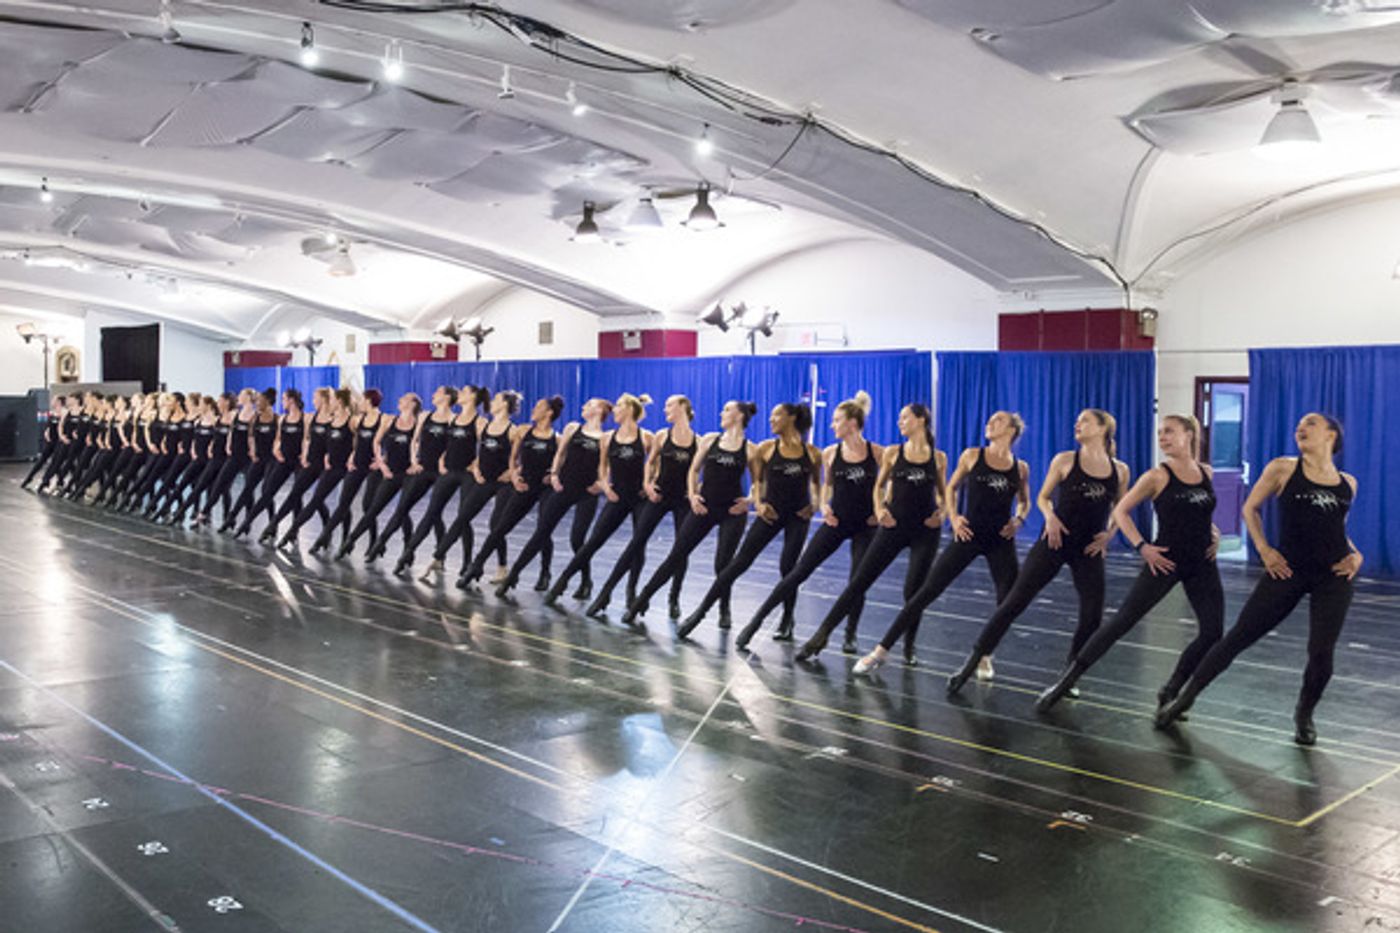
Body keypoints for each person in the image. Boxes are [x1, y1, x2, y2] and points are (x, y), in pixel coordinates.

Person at [1156, 413, 1362, 746]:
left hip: (1334, 576)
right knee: (1237, 637)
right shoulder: (1283, 468)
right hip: (1287, 570)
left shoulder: (1347, 483)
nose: (1301, 428)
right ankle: (1185, 698)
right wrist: (1264, 549)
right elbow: (1250, 508)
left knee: (1321, 651)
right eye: (1298, 425)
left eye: (1310, 424)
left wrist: (1356, 554)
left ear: (1331, 435)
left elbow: (1336, 528)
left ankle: (1304, 714)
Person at [1036, 415, 1222, 712]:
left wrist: (1215, 531)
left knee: (1213, 632)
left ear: (1189, 435)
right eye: (1160, 433)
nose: (1162, 437)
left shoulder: (1206, 472)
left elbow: (1200, 511)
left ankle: (1171, 690)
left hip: (1202, 563)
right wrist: (1142, 547)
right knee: (1122, 621)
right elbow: (1121, 511)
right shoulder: (1156, 476)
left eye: (1169, 432)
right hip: (1164, 561)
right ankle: (1066, 680)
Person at [947, 409, 1129, 697]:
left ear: (1103, 428)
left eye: (1084, 421)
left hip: (1088, 550)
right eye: (1077, 420)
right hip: (1054, 543)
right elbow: (1042, 497)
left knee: (1093, 615)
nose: (1077, 424)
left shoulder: (1120, 470)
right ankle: (971, 663)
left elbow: (1120, 508)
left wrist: (1109, 534)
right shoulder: (1066, 460)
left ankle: (1070, 675)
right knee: (1013, 602)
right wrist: (1051, 517)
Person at [853, 411, 1030, 674]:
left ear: (1012, 430)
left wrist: (1019, 520)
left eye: (999, 421)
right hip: (968, 536)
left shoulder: (1021, 467)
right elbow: (950, 488)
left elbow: (1024, 501)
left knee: (1009, 601)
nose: (990, 423)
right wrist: (955, 517)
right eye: (990, 420)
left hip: (1000, 541)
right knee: (925, 592)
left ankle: (984, 655)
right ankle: (881, 651)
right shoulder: (972, 456)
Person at [794, 403, 946, 662]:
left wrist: (941, 513)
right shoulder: (892, 453)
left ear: (920, 420)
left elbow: (943, 495)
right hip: (892, 526)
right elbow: (878, 487)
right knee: (859, 582)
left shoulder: (938, 457)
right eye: (899, 417)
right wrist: (880, 508)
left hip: (925, 532)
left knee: (914, 591)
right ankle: (822, 634)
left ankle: (909, 647)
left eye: (904, 417)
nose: (900, 422)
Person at [735, 392, 881, 649]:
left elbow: (886, 484)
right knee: (798, 572)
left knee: (858, 580)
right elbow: (826, 486)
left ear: (852, 423)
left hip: (865, 527)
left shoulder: (877, 453)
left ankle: (850, 633)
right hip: (836, 522)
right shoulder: (830, 453)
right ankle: (756, 621)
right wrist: (823, 505)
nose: (832, 425)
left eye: (837, 420)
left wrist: (880, 509)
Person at [676, 402, 821, 639]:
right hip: (770, 515)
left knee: (789, 568)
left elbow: (816, 485)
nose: (771, 419)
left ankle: (787, 620)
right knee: (738, 563)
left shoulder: (812, 453)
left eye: (776, 415)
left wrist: (814, 505)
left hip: (798, 517)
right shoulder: (765, 448)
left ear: (791, 418)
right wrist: (759, 503)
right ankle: (700, 613)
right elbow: (758, 483)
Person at [617, 400, 760, 629]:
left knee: (723, 564)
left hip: (732, 512)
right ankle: (640, 601)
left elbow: (759, 481)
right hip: (703, 507)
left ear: (740, 415)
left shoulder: (751, 449)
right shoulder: (710, 440)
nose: (721, 412)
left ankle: (724, 609)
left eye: (726, 409)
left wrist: (751, 501)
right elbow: (693, 470)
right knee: (675, 556)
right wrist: (693, 495)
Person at [583, 394, 697, 619]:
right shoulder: (662, 436)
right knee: (636, 543)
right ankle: (606, 593)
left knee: (680, 551)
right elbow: (650, 463)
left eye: (669, 405)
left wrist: (693, 492)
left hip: (682, 501)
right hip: (658, 496)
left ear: (683, 407)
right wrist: (649, 483)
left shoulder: (698, 440)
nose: (665, 409)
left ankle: (674, 598)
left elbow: (695, 471)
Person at [544, 394, 654, 607]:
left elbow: (654, 463)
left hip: (639, 499)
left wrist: (648, 484)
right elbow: (603, 467)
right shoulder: (607, 438)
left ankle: (632, 591)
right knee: (593, 541)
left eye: (619, 406)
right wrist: (604, 485)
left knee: (638, 546)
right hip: (616, 496)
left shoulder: (646, 437)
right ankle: (562, 581)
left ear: (630, 410)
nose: (614, 410)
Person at [493, 397, 609, 597]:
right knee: (541, 532)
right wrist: (554, 474)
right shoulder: (573, 428)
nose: (583, 406)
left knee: (577, 539)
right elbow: (560, 454)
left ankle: (585, 581)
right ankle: (513, 575)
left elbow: (605, 465)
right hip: (564, 487)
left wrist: (601, 483)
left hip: (587, 493)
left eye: (588, 405)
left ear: (598, 410)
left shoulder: (606, 437)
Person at [457, 396, 563, 587]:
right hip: (524, 485)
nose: (533, 409)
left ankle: (545, 572)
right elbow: (513, 459)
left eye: (539, 406)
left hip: (545, 489)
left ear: (549, 413)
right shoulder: (523, 431)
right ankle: (476, 566)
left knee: (543, 530)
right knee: (500, 527)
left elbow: (560, 463)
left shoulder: (557, 438)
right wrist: (514, 475)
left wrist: (553, 474)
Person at [417, 390, 520, 580]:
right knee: (461, 518)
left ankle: (502, 566)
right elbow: (480, 451)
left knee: (496, 525)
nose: (493, 403)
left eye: (497, 400)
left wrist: (513, 472)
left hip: (503, 485)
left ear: (504, 405)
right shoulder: (486, 426)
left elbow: (517, 459)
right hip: (483, 480)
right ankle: (436, 558)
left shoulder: (514, 431)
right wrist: (477, 467)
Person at [393, 385, 488, 576]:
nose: (459, 394)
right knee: (431, 513)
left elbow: (485, 448)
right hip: (449, 472)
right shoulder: (453, 419)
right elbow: (449, 444)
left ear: (472, 397)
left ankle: (467, 561)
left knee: (463, 518)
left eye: (463, 392)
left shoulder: (480, 422)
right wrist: (442, 459)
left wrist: (476, 465)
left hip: (467, 475)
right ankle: (408, 552)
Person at [337, 392, 424, 558]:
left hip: (407, 474)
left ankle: (407, 548)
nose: (399, 400)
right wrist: (382, 464)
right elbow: (376, 442)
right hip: (389, 471)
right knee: (372, 508)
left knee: (402, 511)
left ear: (412, 404)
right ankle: (351, 541)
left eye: (404, 399)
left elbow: (420, 445)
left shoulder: (418, 423)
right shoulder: (390, 420)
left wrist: (415, 463)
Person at [311, 389, 385, 556]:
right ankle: (323, 537)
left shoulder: (384, 420)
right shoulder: (359, 420)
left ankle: (374, 541)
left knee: (368, 506)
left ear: (368, 401)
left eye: (361, 400)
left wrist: (382, 460)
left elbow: (387, 441)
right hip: (357, 465)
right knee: (343, 503)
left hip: (373, 468)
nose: (358, 403)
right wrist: (352, 456)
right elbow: (356, 442)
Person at [280, 388, 356, 549]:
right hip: (330, 466)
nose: (331, 402)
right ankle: (292, 532)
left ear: (339, 402)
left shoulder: (351, 420)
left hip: (346, 468)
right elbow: (325, 441)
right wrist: (324, 455)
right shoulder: (331, 419)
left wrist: (353, 457)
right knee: (316, 500)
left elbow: (358, 441)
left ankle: (345, 537)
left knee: (344, 504)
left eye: (333, 399)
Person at [220, 388, 277, 531]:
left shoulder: (277, 419)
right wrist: (252, 449)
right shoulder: (255, 419)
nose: (257, 403)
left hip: (271, 460)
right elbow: (250, 436)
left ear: (268, 402)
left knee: (266, 491)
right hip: (257, 459)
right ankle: (232, 517)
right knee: (247, 488)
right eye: (257, 400)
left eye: (260, 400)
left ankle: (272, 522)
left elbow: (279, 438)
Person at [20, 395, 65, 490]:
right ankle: (29, 478)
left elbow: (62, 426)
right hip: (50, 441)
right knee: (41, 460)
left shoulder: (63, 412)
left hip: (59, 441)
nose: (52, 402)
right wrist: (47, 432)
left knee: (56, 462)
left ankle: (55, 481)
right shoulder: (52, 413)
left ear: (59, 402)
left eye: (54, 400)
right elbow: (49, 426)